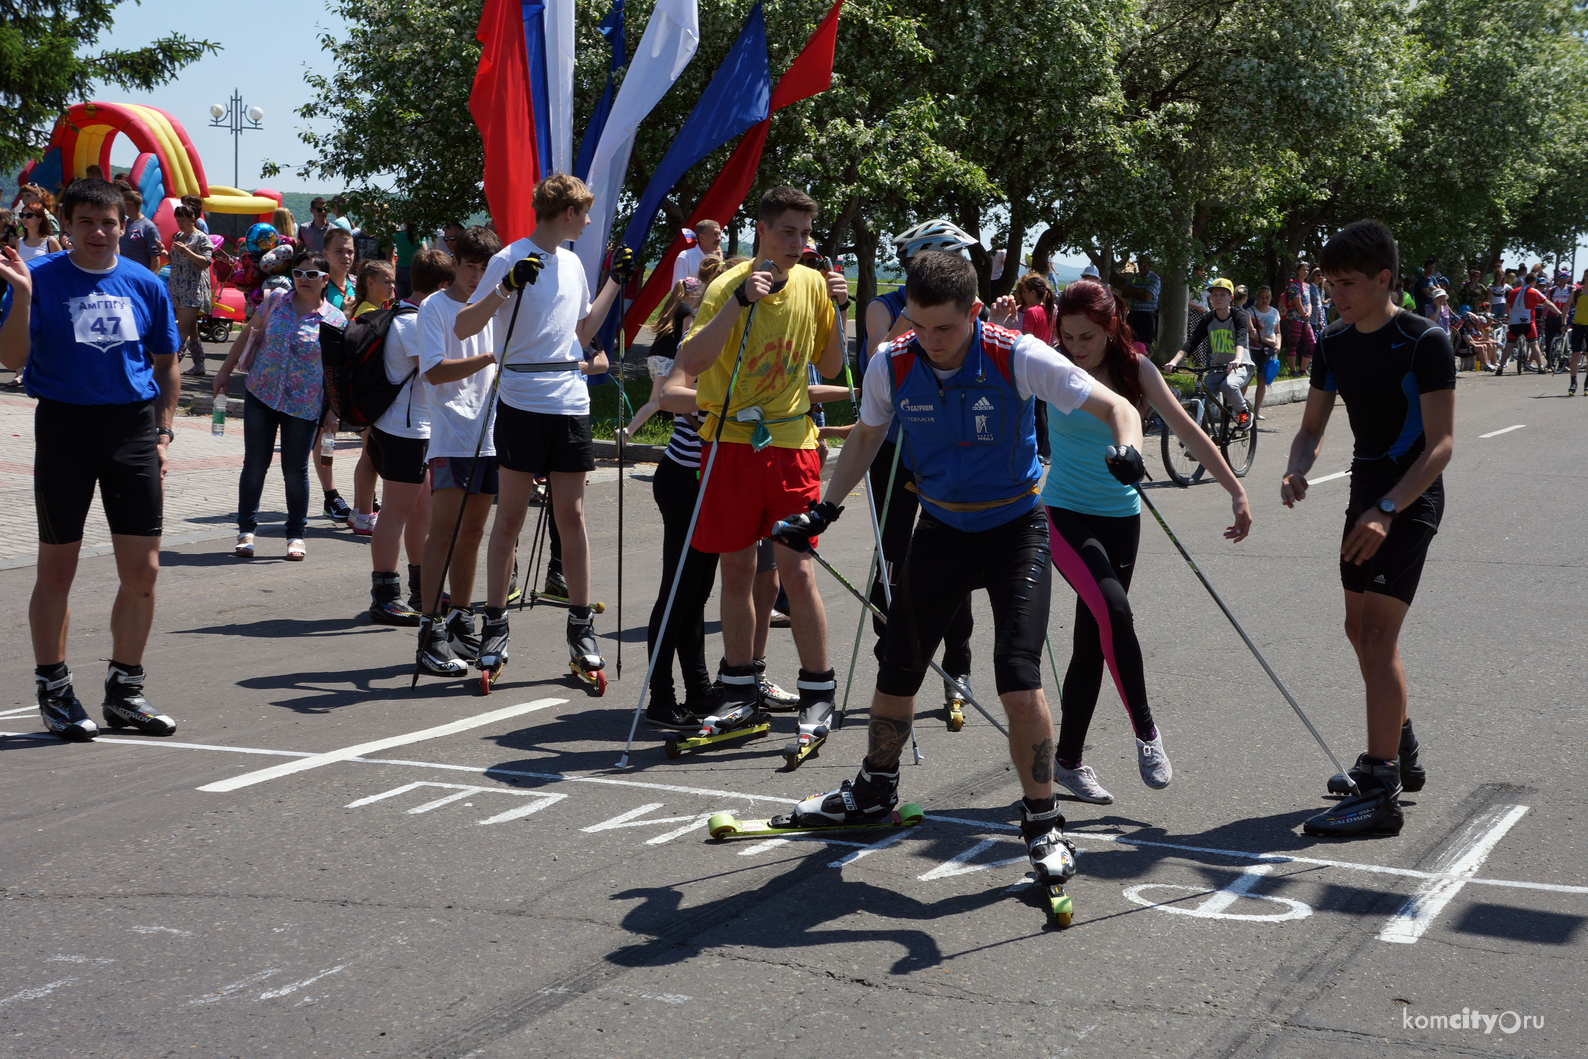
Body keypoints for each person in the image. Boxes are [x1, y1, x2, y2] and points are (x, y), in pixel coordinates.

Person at [770, 251, 1144, 902]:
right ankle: (875, 786)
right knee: (898, 667)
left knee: (1017, 675)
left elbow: (1119, 408)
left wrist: (1129, 447)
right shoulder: (895, 361)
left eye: (944, 328)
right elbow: (865, 435)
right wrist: (824, 509)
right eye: (919, 325)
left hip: (1014, 531)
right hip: (941, 529)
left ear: (974, 313)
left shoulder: (1017, 355)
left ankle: (1042, 820)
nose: (931, 341)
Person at [1042, 278, 1251, 803]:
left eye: (1087, 337)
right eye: (1068, 336)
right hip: (1065, 514)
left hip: (1121, 517)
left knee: (1093, 641)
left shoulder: (1136, 368)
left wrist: (1235, 490)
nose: (1077, 347)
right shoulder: (1049, 365)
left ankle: (1067, 761)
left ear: (1111, 328)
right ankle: (1147, 732)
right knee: (1116, 613)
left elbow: (1186, 429)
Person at [1281, 220, 1455, 837]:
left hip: (1408, 501)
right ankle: (1398, 744)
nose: (1334, 294)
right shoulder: (1332, 342)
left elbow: (1441, 446)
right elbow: (1310, 428)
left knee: (1378, 633)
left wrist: (1388, 509)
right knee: (1357, 629)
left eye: (1347, 283)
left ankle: (1379, 787)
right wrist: (1296, 468)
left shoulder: (1424, 341)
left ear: (1385, 279)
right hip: (1363, 497)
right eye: (1329, 283)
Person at [0, 177, 182, 740]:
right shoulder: (39, 279)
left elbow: (167, 363)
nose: (98, 233)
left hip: (131, 430)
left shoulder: (145, 282)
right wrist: (24, 296)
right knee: (58, 569)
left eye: (108, 223)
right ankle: (54, 690)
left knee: (144, 571)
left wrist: (164, 432)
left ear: (123, 225)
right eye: (86, 223)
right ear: (68, 227)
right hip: (65, 427)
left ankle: (126, 691)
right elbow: (10, 361)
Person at [673, 185, 848, 746]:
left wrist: (839, 310)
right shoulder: (727, 284)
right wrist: (739, 304)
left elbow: (832, 363)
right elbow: (690, 363)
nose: (798, 244)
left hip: (793, 441)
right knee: (737, 572)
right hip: (730, 442)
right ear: (762, 231)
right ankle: (740, 692)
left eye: (804, 233)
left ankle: (818, 693)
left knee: (796, 571)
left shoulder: (814, 284)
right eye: (787, 232)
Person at [451, 174, 629, 685]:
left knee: (571, 516)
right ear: (567, 213)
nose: (590, 221)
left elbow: (583, 333)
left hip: (569, 400)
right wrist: (504, 288)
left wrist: (616, 279)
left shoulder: (573, 263)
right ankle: (495, 625)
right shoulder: (511, 257)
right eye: (586, 212)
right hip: (522, 400)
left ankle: (580, 629)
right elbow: (465, 326)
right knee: (509, 519)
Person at [856, 220, 982, 719]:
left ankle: (959, 665)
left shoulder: (966, 306)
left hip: (947, 446)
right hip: (892, 446)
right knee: (892, 553)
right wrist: (914, 310)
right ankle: (894, 656)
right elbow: (875, 361)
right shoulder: (885, 307)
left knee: (958, 552)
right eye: (957, 260)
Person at [213, 250, 346, 561]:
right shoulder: (275, 301)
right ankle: (246, 530)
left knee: (294, 471)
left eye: (312, 275)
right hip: (262, 393)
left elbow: (338, 371)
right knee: (254, 465)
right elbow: (249, 332)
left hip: (304, 404)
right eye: (299, 273)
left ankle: (296, 534)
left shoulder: (335, 319)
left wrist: (334, 410)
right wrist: (224, 370)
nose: (304, 280)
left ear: (325, 280)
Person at [413, 225, 502, 675]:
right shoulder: (435, 308)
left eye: (485, 269)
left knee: (472, 534)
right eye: (470, 267)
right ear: (455, 265)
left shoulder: (496, 306)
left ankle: (461, 617)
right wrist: (490, 358)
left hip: (489, 437)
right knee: (444, 535)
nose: (476, 276)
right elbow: (433, 372)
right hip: (451, 435)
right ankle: (429, 630)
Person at [366, 248, 452, 625]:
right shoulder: (414, 323)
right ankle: (385, 596)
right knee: (395, 513)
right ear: (442, 286)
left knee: (421, 512)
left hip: (408, 428)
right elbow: (434, 374)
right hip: (405, 431)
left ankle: (423, 588)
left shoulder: (404, 313)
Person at [316, 226, 362, 524]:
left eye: (350, 251)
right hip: (324, 371)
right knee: (327, 434)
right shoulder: (318, 287)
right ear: (325, 254)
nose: (346, 256)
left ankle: (366, 495)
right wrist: (344, 316)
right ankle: (330, 496)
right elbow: (321, 331)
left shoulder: (358, 284)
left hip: (355, 371)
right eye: (339, 251)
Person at [1164, 278, 1253, 426]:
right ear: (1210, 297)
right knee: (1201, 397)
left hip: (1241, 365)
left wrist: (1237, 359)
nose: (1217, 298)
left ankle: (1244, 414)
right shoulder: (1208, 318)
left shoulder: (1239, 316)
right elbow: (1191, 343)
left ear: (1231, 297)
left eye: (1222, 294)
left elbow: (1241, 339)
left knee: (1228, 387)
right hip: (1217, 367)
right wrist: (1173, 362)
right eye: (1214, 294)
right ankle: (1197, 431)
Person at [166, 204, 214, 377]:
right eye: (178, 220)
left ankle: (169, 366)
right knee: (192, 329)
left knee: (182, 330)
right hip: (178, 287)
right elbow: (175, 260)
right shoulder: (179, 236)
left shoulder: (201, 238)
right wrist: (165, 253)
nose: (180, 224)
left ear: (192, 219)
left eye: (183, 220)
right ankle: (199, 365)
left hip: (193, 289)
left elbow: (205, 262)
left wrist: (186, 251)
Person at [1498, 272, 1559, 375]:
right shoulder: (1533, 291)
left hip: (1514, 321)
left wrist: (1509, 316)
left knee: (1509, 345)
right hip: (1528, 321)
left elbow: (1506, 306)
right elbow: (1547, 303)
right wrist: (1559, 313)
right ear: (1534, 281)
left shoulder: (1514, 292)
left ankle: (1500, 368)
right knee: (1534, 344)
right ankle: (1540, 367)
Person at [1248, 285, 1282, 419]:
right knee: (1247, 378)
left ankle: (1257, 411)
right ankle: (1237, 410)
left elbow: (1278, 332)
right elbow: (1251, 335)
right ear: (1257, 298)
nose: (1264, 300)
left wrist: (1278, 344)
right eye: (1262, 298)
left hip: (1268, 351)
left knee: (1262, 380)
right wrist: (1269, 341)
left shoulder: (1274, 312)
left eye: (1267, 298)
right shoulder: (1250, 311)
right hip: (1253, 349)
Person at [116, 188, 163, 273]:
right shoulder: (123, 224)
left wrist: (152, 278)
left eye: (121, 203)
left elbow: (155, 256)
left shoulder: (149, 227)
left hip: (138, 276)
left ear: (129, 204)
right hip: (122, 274)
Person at [1284, 261, 1314, 375]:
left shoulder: (1307, 285)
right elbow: (1298, 302)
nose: (1306, 272)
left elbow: (1309, 302)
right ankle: (1292, 371)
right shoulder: (1294, 285)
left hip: (1305, 318)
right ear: (1297, 271)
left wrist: (1308, 314)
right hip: (1296, 318)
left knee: (1312, 344)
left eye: (1307, 270)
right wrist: (1304, 316)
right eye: (1303, 270)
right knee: (1293, 344)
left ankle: (1303, 369)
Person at [672, 219, 723, 284]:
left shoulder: (718, 258)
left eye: (719, 234)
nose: (719, 238)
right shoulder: (686, 257)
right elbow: (677, 289)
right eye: (715, 234)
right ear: (702, 237)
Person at [1126, 255, 1161, 349]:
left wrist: (1133, 292)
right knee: (1129, 344)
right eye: (1139, 263)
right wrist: (1139, 291)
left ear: (1149, 265)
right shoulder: (1133, 277)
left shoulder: (1154, 279)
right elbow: (1125, 293)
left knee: (1144, 346)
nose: (1141, 266)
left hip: (1146, 316)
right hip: (1133, 315)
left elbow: (1146, 297)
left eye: (1144, 264)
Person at [13, 197, 62, 262]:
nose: (24, 218)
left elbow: (61, 265)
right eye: (22, 215)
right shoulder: (19, 242)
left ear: (40, 219)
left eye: (29, 215)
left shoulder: (51, 241)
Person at [1569, 268, 1588, 395]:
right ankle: (1573, 383)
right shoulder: (1577, 292)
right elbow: (1566, 307)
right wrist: (1564, 322)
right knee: (1575, 354)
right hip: (1577, 325)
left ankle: (1587, 384)